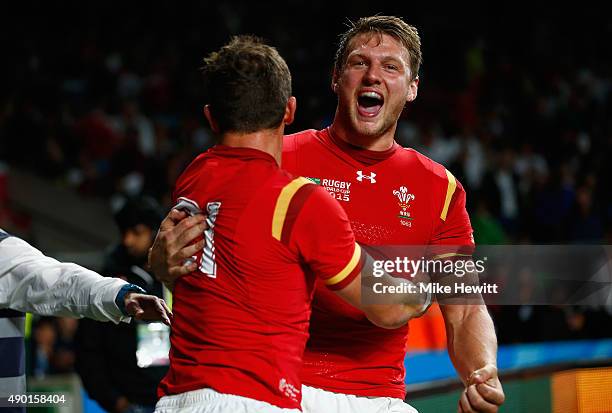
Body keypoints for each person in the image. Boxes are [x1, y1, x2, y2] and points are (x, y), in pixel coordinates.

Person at [150, 16, 504, 413]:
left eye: (390, 66)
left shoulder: (439, 189)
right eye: (359, 63)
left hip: (377, 398)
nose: (373, 76)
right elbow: (198, 259)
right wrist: (164, 264)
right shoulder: (273, 158)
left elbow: (467, 306)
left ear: (413, 88)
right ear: (336, 78)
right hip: (277, 389)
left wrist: (483, 371)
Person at [0, 228, 171, 412]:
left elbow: (57, 280)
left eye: (136, 233)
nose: (128, 240)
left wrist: (119, 296)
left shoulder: (3, 251)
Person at [75, 197, 169, 413]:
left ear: (155, 231)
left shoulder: (175, 276)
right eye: (123, 233)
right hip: (131, 403)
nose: (127, 240)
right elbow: (88, 346)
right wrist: (113, 400)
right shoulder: (110, 283)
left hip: (175, 398)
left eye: (136, 232)